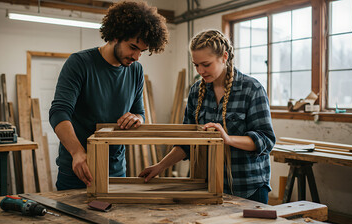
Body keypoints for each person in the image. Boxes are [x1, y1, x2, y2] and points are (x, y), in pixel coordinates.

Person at [139, 30, 275, 204]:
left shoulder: (252, 89)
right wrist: (159, 166)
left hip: (247, 187)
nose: (200, 71)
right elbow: (186, 143)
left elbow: (266, 140)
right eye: (196, 65)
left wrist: (228, 139)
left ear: (224, 57)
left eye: (206, 64)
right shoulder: (196, 91)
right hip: (206, 185)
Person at [49, 1, 168, 190]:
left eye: (142, 51)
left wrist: (135, 118)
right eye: (133, 47)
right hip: (78, 168)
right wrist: (77, 153)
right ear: (115, 36)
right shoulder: (79, 63)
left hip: (116, 170)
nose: (137, 57)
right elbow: (59, 112)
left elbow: (140, 113)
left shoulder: (135, 71)